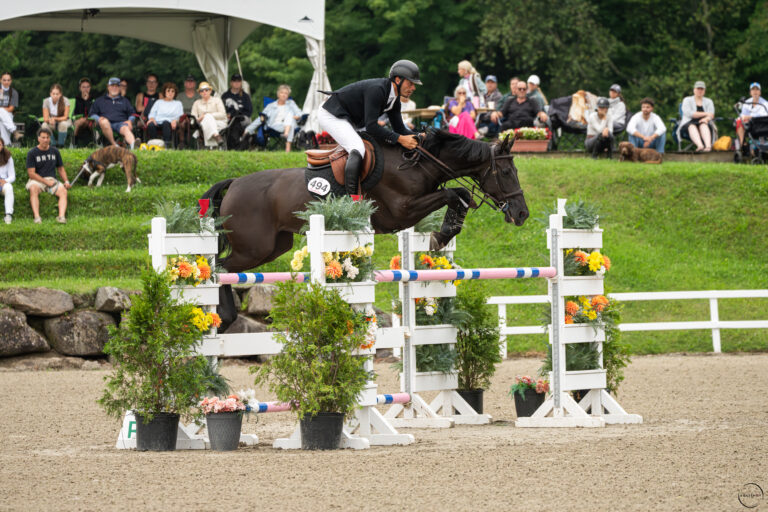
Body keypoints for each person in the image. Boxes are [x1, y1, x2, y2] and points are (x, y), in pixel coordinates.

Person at [318, 59, 420, 196]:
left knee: (371, 147)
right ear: (397, 80)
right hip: (331, 114)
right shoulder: (377, 90)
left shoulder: (394, 99)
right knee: (357, 147)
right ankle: (352, 198)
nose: (413, 88)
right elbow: (372, 127)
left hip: (349, 118)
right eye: (410, 83)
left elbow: (400, 129)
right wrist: (400, 139)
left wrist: (419, 136)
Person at [25, 127, 70, 224]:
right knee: (33, 189)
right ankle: (37, 217)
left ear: (50, 138)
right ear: (38, 138)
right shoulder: (32, 153)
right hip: (37, 180)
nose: (45, 140)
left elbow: (61, 169)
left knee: (63, 191)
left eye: (47, 137)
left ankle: (61, 217)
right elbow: (31, 174)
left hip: (52, 180)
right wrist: (46, 182)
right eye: (43, 137)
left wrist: (66, 181)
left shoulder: (55, 151)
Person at [243, 84, 302, 152]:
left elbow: (299, 113)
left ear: (288, 95)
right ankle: (288, 145)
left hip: (290, 125)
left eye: (286, 93)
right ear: (278, 94)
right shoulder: (271, 106)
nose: (284, 95)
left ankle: (286, 136)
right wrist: (248, 129)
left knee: (290, 117)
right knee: (290, 119)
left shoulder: (291, 103)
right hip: (275, 126)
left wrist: (297, 116)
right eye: (282, 92)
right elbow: (261, 118)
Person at [90, 77, 137, 148]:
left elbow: (132, 114)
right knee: (104, 122)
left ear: (119, 88)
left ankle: (134, 145)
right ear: (108, 87)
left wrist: (130, 121)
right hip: (105, 123)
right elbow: (92, 114)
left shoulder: (125, 101)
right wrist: (98, 119)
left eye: (117, 86)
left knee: (126, 129)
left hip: (121, 124)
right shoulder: (99, 100)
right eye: (112, 86)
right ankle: (114, 144)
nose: (114, 88)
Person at [680, 81, 715, 152]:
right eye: (698, 88)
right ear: (694, 90)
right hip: (688, 123)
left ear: (704, 91)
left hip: (704, 123)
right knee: (692, 126)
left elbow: (711, 115)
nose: (700, 91)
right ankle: (700, 146)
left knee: (703, 125)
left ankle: (708, 147)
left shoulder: (709, 101)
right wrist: (706, 114)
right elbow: (690, 114)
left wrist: (706, 119)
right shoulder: (687, 100)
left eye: (702, 89)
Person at [191, 82, 227, 149]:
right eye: (202, 90)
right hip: (203, 124)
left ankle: (210, 147)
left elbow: (223, 115)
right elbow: (193, 119)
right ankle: (216, 136)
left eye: (206, 90)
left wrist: (209, 115)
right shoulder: (196, 103)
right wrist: (200, 118)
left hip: (219, 123)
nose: (204, 92)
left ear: (210, 91)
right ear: (199, 93)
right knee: (206, 120)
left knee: (207, 116)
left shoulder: (217, 100)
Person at [147, 82, 183, 147]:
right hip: (157, 122)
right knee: (151, 125)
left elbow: (180, 116)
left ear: (175, 93)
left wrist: (175, 120)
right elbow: (152, 113)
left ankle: (166, 145)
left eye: (172, 91)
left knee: (165, 123)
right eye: (168, 91)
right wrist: (152, 119)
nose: (170, 93)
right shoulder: (158, 102)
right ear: (164, 92)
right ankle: (154, 144)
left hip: (170, 123)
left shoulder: (178, 103)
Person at [736, 82, 768, 150]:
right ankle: (742, 145)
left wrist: (750, 117)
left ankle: (758, 147)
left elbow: (764, 117)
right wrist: (746, 118)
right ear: (750, 92)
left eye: (757, 89)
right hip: (749, 125)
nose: (755, 91)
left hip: (761, 126)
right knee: (739, 121)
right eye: (753, 89)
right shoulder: (746, 103)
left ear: (760, 92)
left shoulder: (765, 103)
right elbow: (742, 115)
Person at [177, 75, 200, 149]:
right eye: (188, 81)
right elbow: (176, 109)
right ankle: (182, 142)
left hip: (195, 118)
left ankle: (191, 144)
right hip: (182, 117)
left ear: (195, 84)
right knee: (182, 122)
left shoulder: (199, 96)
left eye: (192, 81)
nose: (190, 83)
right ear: (185, 84)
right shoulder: (180, 96)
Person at [0, 72, 21, 145]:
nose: (6, 82)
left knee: (2, 121)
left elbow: (11, 109)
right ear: (0, 80)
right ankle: (14, 130)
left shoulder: (14, 92)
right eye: (4, 80)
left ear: (11, 81)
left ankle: (6, 144)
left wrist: (1, 109)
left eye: (8, 80)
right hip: (7, 117)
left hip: (8, 115)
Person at [73, 77, 95, 145]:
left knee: (94, 123)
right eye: (83, 87)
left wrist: (87, 101)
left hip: (90, 120)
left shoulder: (93, 99)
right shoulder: (77, 99)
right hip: (79, 119)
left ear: (90, 88)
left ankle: (96, 141)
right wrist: (84, 100)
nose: (86, 89)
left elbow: (91, 112)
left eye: (87, 87)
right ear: (80, 88)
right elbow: (77, 112)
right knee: (82, 121)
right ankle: (74, 142)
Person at [0, 137, 14, 224]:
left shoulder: (7, 156)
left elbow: (12, 176)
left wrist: (4, 181)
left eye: (0, 144)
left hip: (3, 182)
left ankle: (8, 215)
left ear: (2, 146)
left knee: (9, 188)